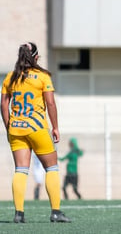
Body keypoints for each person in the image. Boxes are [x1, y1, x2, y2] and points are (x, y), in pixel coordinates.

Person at [0, 42, 70, 223]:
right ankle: (55, 212)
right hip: (37, 128)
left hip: (16, 129)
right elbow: (51, 104)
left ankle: (19, 214)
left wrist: (9, 126)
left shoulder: (10, 77)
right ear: (36, 57)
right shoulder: (42, 76)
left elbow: (3, 104)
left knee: (21, 170)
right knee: (52, 168)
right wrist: (55, 127)